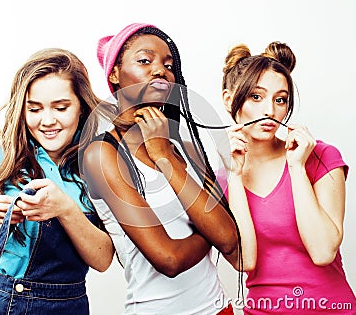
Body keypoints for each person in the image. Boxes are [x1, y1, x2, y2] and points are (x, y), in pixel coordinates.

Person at [82, 23, 241, 314]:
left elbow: (230, 241)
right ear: (114, 74)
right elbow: (168, 260)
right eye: (145, 61)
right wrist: (211, 233)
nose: (160, 71)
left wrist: (164, 155)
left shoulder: (182, 145)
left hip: (219, 308)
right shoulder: (101, 154)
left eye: (168, 65)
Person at [0, 48, 114, 314]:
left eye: (61, 107)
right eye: (35, 109)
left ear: (81, 108)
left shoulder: (100, 167)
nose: (47, 120)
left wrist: (65, 209)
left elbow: (103, 260)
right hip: (3, 305)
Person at [215, 41, 356, 314]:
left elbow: (324, 251)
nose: (270, 110)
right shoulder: (222, 180)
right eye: (256, 97)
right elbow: (247, 262)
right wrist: (234, 174)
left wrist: (296, 167)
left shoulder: (320, 157)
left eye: (280, 99)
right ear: (229, 99)